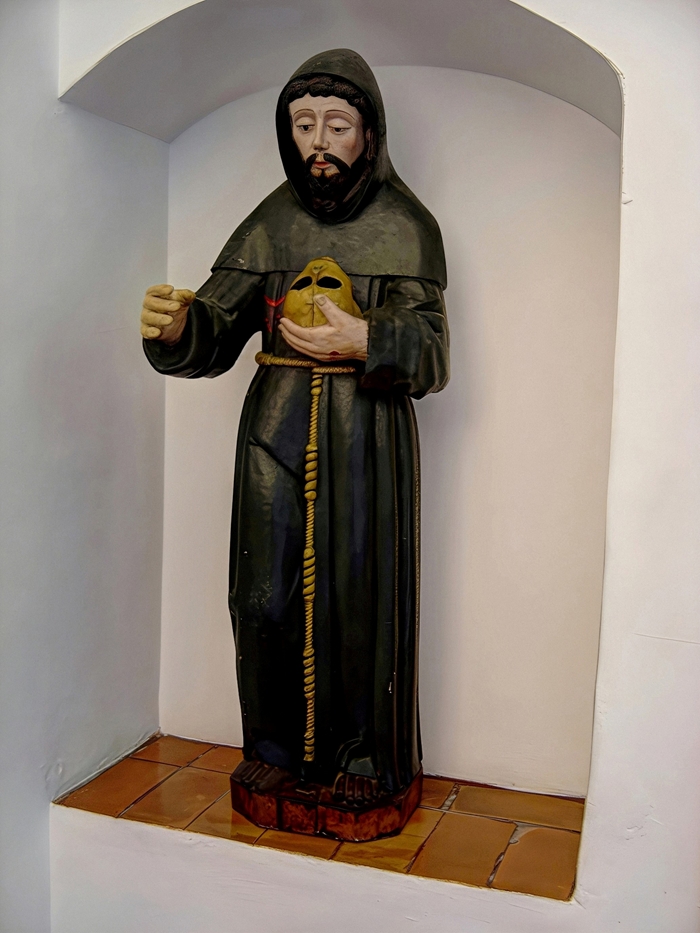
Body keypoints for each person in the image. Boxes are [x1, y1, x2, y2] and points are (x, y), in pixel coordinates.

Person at [141, 49, 449, 815]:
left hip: (366, 436)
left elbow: (433, 352)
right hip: (273, 426)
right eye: (303, 123)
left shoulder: (407, 227)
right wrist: (177, 326)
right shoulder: (269, 223)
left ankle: (365, 757)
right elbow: (215, 324)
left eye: (336, 125)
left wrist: (367, 339)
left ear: (369, 133)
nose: (318, 141)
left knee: (358, 595)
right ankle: (273, 749)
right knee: (264, 592)